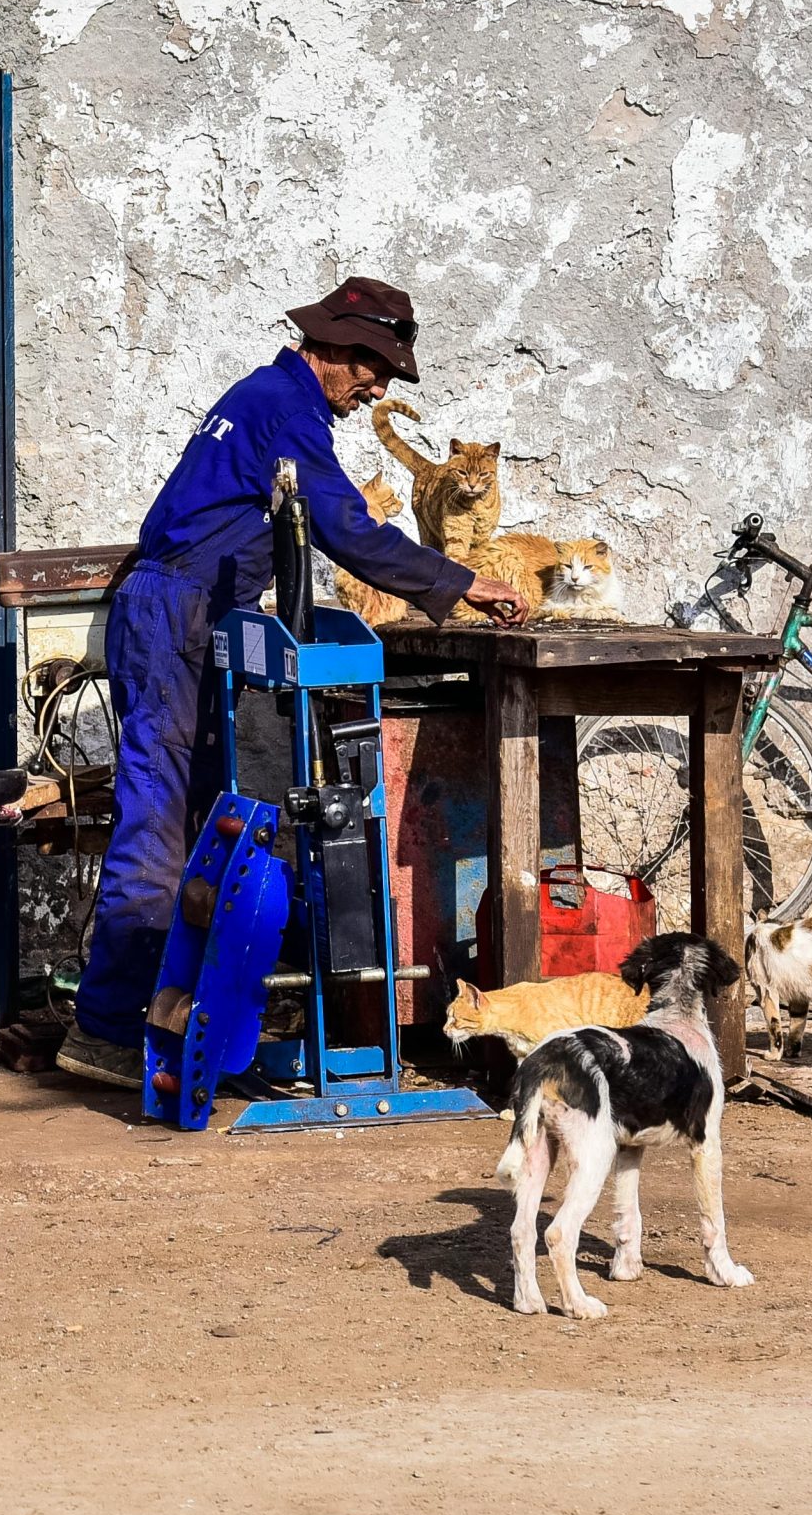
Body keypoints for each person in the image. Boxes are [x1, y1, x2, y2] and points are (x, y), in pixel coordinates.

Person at [58, 276, 527, 1088]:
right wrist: (460, 583)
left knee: (213, 825)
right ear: (337, 351)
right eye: (374, 369)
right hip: (176, 615)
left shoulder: (273, 397)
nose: (377, 388)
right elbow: (345, 525)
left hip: (197, 616)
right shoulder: (287, 407)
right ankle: (101, 1028)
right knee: (159, 821)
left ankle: (196, 1024)